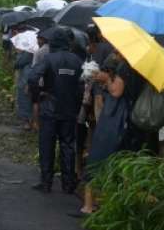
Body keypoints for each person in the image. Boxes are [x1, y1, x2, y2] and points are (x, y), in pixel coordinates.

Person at [29, 28, 84, 194]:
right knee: (68, 145)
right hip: (69, 110)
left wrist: (39, 95)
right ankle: (68, 184)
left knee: (47, 145)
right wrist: (76, 102)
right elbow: (82, 85)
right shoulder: (77, 60)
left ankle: (46, 183)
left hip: (49, 108)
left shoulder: (48, 59)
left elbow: (32, 77)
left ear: (53, 43)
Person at [78, 54, 132, 215]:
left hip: (111, 125)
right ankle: (93, 202)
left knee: (98, 159)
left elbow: (116, 92)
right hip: (111, 123)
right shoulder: (121, 75)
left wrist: (106, 81)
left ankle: (89, 205)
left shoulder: (122, 74)